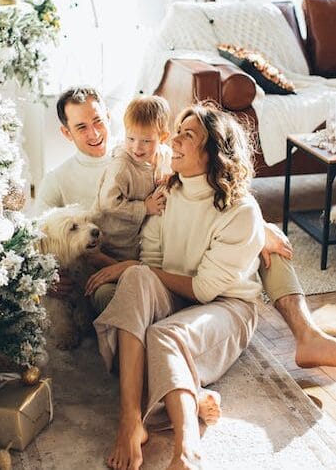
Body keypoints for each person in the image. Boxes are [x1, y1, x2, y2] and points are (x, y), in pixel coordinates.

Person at [35, 85, 336, 369]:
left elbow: (208, 184)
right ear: (66, 132)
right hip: (120, 265)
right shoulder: (56, 180)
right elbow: (38, 243)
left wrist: (257, 224)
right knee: (112, 297)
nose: (94, 132)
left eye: (98, 121)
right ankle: (173, 353)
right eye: (81, 127)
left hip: (162, 253)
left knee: (271, 242)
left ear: (110, 118)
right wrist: (46, 279)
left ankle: (306, 335)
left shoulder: (138, 145)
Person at [90, 103, 265, 469]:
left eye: (189, 134)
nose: (175, 139)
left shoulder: (241, 211)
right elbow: (151, 266)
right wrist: (135, 269)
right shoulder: (168, 193)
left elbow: (204, 289)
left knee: (162, 336)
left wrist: (134, 268)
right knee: (138, 277)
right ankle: (131, 420)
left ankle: (187, 451)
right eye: (178, 131)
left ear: (213, 150)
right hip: (179, 296)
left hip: (228, 306)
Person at [93, 95, 171, 261]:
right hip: (113, 240)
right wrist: (145, 208)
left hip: (139, 238)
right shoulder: (121, 166)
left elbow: (172, 168)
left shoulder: (165, 155)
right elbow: (108, 203)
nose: (137, 147)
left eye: (146, 141)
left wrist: (169, 177)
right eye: (131, 138)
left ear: (163, 138)